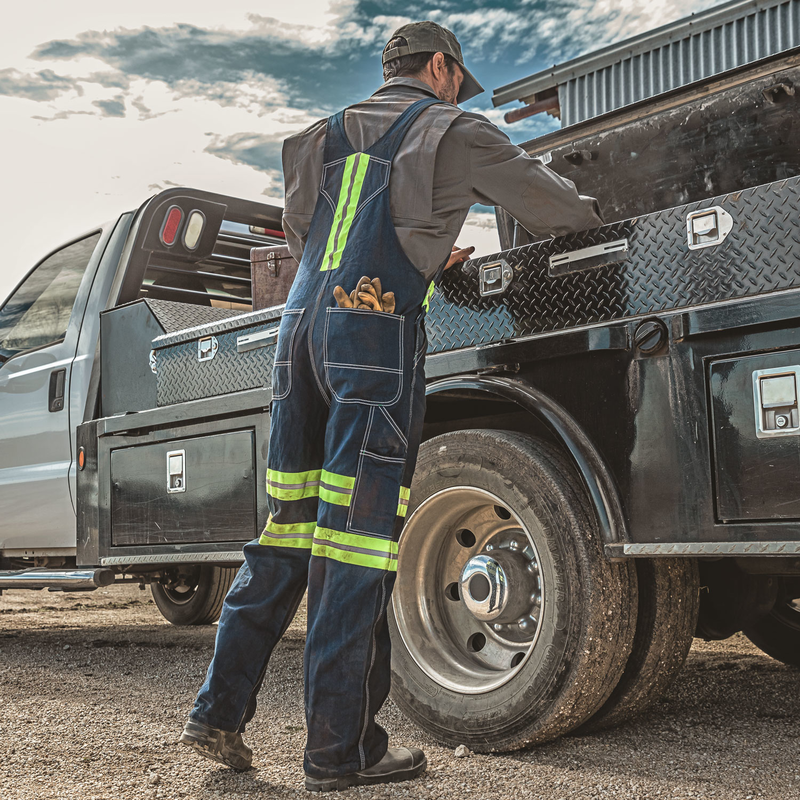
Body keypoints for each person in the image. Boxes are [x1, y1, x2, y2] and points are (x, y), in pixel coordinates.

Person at [179, 20, 603, 793]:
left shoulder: (314, 138)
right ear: (440, 67)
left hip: (298, 341)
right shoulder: (454, 129)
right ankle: (340, 753)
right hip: (371, 341)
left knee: (286, 532)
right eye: (456, 76)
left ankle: (218, 712)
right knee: (356, 545)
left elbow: (317, 237)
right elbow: (559, 213)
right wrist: (429, 254)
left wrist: (421, 245)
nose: (456, 88)